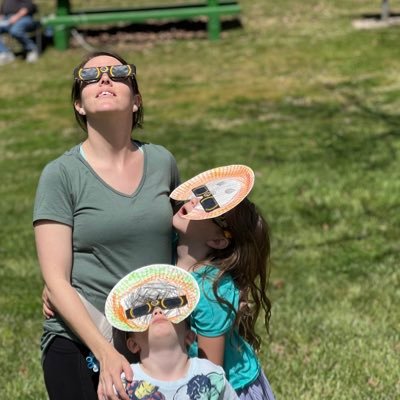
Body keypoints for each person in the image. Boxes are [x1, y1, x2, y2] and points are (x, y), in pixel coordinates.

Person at [33, 51, 179, 400]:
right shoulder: (60, 175)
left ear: (136, 101)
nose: (104, 78)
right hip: (83, 342)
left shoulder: (162, 161)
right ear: (79, 106)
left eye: (117, 73)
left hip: (155, 336)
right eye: (90, 75)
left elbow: (180, 246)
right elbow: (55, 279)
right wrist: (105, 352)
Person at [170, 165, 276, 399]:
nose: (196, 201)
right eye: (202, 194)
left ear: (218, 241)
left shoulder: (209, 291)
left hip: (228, 389)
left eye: (209, 207)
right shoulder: (169, 248)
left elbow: (212, 376)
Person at [105, 263, 239, 400]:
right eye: (142, 311)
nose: (157, 311)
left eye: (169, 305)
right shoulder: (123, 384)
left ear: (189, 336)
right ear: (133, 344)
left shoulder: (211, 374)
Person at [0, 0, 39, 64]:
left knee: (15, 30)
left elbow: (27, 8)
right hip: (7, 19)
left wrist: (16, 17)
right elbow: (2, 12)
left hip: (24, 18)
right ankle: (5, 53)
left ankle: (31, 50)